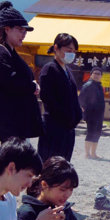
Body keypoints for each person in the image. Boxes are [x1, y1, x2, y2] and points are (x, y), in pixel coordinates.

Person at [0, 1, 43, 144]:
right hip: (8, 122)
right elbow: (12, 82)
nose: (24, 34)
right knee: (13, 157)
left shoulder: (9, 52)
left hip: (15, 122)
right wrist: (32, 86)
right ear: (7, 29)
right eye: (20, 30)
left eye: (25, 31)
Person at [37, 33, 83, 162]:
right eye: (69, 50)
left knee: (64, 164)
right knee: (50, 164)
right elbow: (48, 98)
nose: (71, 53)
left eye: (74, 51)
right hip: (54, 127)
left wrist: (77, 116)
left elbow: (73, 97)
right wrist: (66, 117)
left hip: (68, 129)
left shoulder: (68, 71)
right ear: (56, 48)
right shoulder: (49, 69)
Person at [79, 67, 106, 159]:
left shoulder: (99, 86)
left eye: (99, 74)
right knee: (91, 133)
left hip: (99, 114)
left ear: (101, 76)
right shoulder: (88, 85)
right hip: (91, 114)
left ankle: (94, 153)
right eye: (95, 73)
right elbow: (80, 99)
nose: (97, 75)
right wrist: (85, 111)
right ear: (91, 75)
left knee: (97, 133)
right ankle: (87, 154)